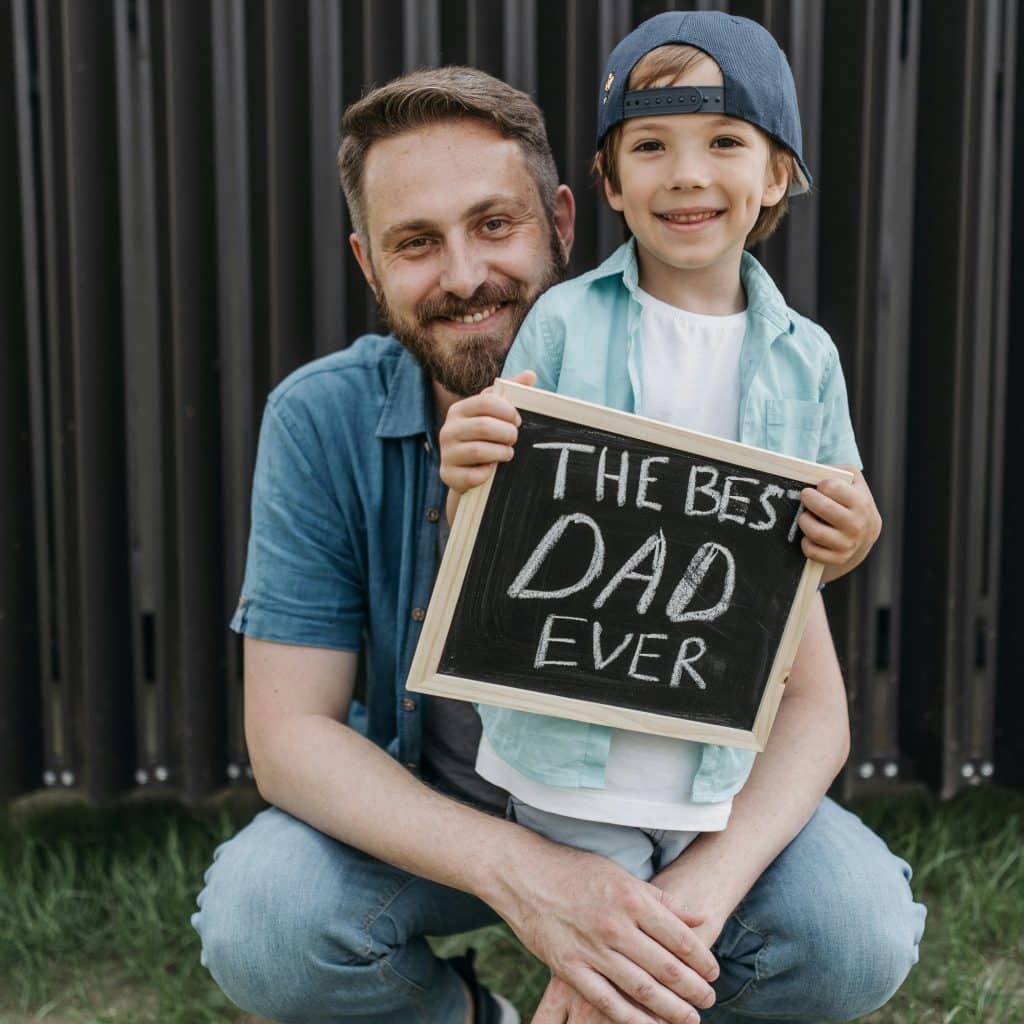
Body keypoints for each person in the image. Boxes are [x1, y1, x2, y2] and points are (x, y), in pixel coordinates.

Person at [191, 61, 923, 1024]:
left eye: (496, 225)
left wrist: (677, 911)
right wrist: (537, 880)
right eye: (416, 242)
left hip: (674, 813)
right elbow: (289, 737)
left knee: (853, 928)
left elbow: (815, 708)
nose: (464, 277)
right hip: (443, 808)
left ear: (566, 223)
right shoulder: (319, 417)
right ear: (368, 265)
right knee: (265, 920)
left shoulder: (691, 386)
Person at [439, 10, 907, 929]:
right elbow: (492, 537)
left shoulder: (805, 358)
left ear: (777, 175)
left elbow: (824, 542)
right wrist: (469, 478)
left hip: (712, 751)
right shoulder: (565, 325)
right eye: (650, 144)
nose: (688, 173)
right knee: (617, 958)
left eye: (725, 141)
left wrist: (854, 534)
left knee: (667, 964)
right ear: (609, 180)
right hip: (567, 752)